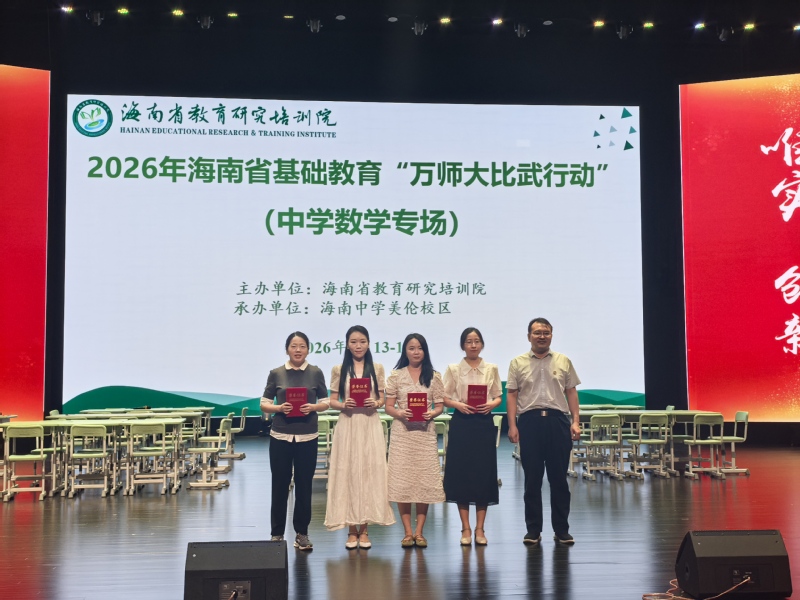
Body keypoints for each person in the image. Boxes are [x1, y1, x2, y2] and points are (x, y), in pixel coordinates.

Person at [506, 318, 581, 546]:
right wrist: (512, 425)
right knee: (532, 480)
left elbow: (571, 392)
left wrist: (576, 421)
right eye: (537, 332)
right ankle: (533, 530)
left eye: (546, 332)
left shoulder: (563, 360)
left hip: (558, 422)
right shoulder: (517, 362)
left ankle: (562, 530)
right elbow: (512, 395)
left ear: (551, 335)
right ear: (529, 336)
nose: (542, 336)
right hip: (529, 423)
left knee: (559, 480)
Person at [325, 325, 395, 548]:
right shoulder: (339, 369)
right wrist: (342, 404)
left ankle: (364, 530)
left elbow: (382, 399)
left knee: (369, 472)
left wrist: (376, 402)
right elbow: (332, 400)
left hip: (369, 423)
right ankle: (351, 530)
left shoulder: (377, 368)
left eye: (362, 341)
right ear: (347, 344)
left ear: (368, 343)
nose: (358, 346)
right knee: (348, 473)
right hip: (348, 424)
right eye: (354, 342)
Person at [260, 331, 329, 551]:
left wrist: (314, 407)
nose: (298, 350)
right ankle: (276, 534)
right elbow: (264, 403)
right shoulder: (276, 373)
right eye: (293, 346)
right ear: (287, 349)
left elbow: (326, 401)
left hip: (307, 436)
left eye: (302, 346)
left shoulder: (316, 372)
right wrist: (279, 408)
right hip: (280, 436)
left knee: (304, 486)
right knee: (279, 485)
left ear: (308, 349)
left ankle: (302, 534)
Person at [442, 327, 502, 546]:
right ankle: (466, 528)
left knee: (483, 474)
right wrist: (458, 405)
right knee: (462, 475)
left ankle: (480, 529)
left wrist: (492, 404)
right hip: (462, 423)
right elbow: (444, 397)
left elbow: (498, 396)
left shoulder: (492, 368)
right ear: (463, 345)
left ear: (482, 344)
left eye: (477, 341)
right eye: (469, 341)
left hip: (483, 423)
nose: (473, 345)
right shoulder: (454, 369)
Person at [385, 333, 446, 548]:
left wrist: (432, 413)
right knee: (403, 482)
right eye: (411, 348)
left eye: (419, 348)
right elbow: (388, 407)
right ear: (405, 351)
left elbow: (440, 406)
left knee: (423, 481)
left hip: (424, 433)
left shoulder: (434, 376)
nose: (416, 352)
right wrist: (400, 413)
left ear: (425, 351)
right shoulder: (395, 376)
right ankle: (407, 532)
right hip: (402, 434)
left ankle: (419, 532)